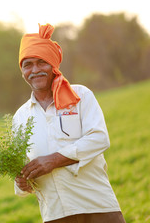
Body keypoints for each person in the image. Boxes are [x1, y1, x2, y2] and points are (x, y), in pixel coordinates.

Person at [13, 23, 126, 223]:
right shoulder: (20, 117)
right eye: (27, 64)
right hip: (55, 213)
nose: (35, 70)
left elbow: (99, 139)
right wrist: (22, 182)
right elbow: (22, 172)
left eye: (42, 62)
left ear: (53, 65)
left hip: (97, 204)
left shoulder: (80, 95)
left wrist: (54, 160)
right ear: (22, 70)